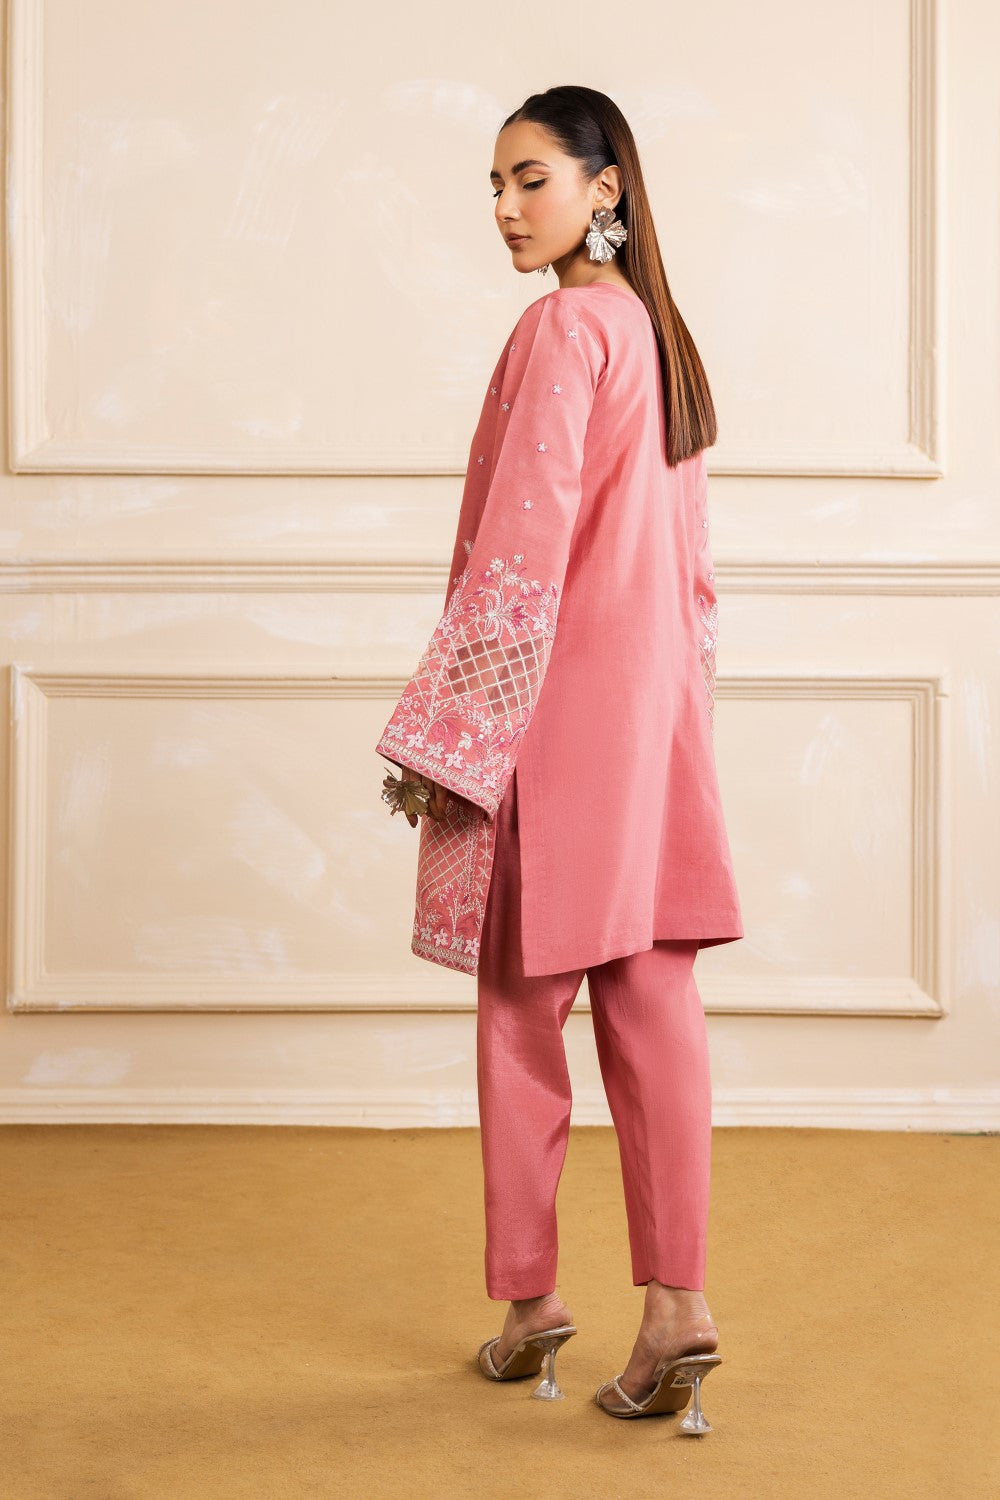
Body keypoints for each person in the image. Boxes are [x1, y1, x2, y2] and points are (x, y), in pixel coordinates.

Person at [375, 84, 743, 1430]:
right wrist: (682, 724)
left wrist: (455, 736)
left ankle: (532, 1305)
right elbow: (694, 577)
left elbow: (520, 555)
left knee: (521, 1016)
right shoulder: (660, 336)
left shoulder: (562, 328)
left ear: (604, 188)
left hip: (553, 719)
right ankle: (678, 1308)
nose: (505, 208)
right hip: (658, 726)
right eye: (494, 184)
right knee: (656, 1013)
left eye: (530, 179)